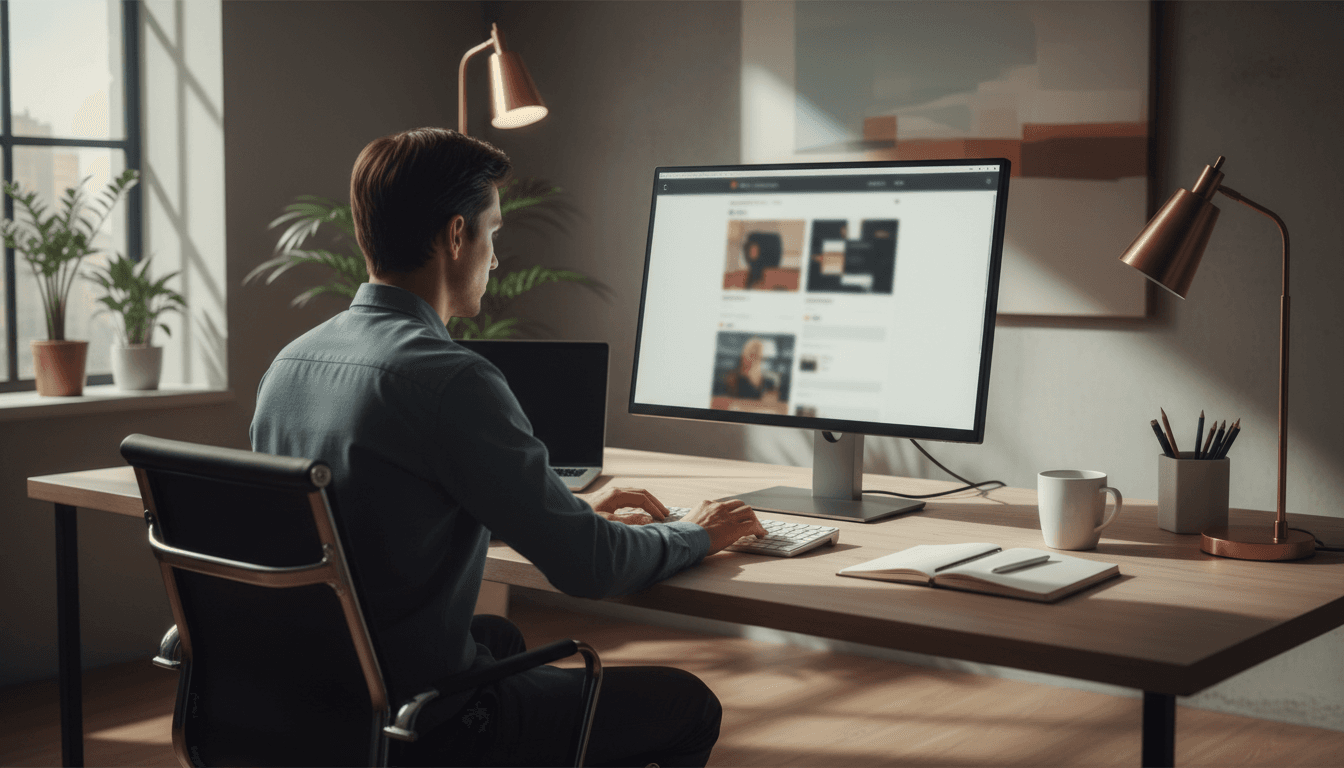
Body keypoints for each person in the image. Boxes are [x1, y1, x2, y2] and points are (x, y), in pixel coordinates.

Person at [250, 127, 767, 768]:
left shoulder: (290, 363)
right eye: (494, 233)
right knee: (688, 705)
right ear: (457, 235)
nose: (496, 259)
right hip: (420, 718)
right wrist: (696, 533)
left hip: (317, 697)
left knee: (497, 635)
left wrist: (554, 509)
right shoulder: (450, 378)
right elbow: (591, 569)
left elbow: (370, 519)